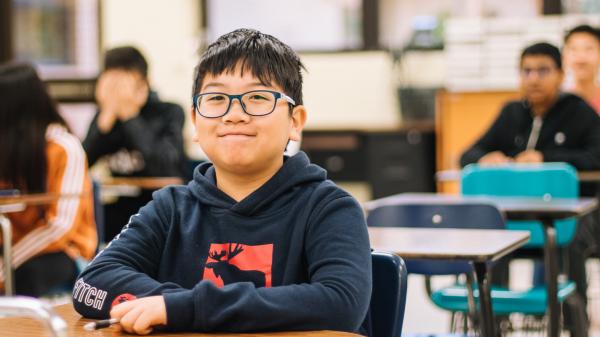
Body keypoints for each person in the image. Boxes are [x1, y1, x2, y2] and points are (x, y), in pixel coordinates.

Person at [72, 29, 372, 335]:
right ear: (195, 122)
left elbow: (341, 304)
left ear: (295, 122)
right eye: (216, 98)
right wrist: (175, 305)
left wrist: (182, 308)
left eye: (257, 97)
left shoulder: (330, 208)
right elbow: (90, 284)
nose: (234, 114)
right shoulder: (171, 207)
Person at [460, 42, 600, 333]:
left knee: (572, 241)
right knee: (491, 236)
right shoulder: (511, 113)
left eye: (543, 70)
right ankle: (490, 322)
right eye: (526, 71)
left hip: (569, 219)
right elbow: (467, 154)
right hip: (514, 218)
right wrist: (487, 157)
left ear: (561, 75)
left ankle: (577, 324)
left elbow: (595, 156)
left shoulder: (580, 113)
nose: (533, 78)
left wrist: (546, 158)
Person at [0, 63, 97, 296]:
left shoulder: (64, 148)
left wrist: (7, 264)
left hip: (64, 252)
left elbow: (59, 226)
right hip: (10, 251)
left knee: (26, 279)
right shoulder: (7, 150)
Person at [83, 46, 186, 243]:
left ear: (144, 83)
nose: (116, 92)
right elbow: (81, 165)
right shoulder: (106, 118)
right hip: (117, 212)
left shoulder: (169, 112)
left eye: (121, 84)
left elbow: (165, 167)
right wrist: (104, 121)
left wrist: (131, 116)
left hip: (161, 208)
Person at [563, 24, 600, 114]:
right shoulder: (558, 102)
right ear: (564, 56)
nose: (581, 58)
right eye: (574, 49)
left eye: (589, 49)